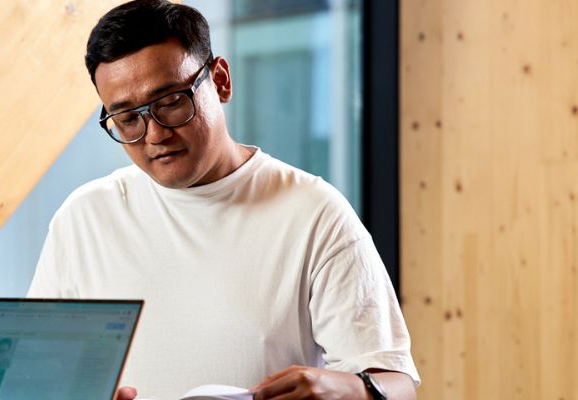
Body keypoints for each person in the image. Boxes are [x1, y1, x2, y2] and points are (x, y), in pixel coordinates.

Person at [27, 1, 420, 399]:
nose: (154, 135)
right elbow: (37, 378)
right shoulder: (84, 218)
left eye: (171, 102)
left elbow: (399, 384)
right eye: (128, 118)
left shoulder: (313, 212)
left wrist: (350, 389)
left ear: (221, 80)